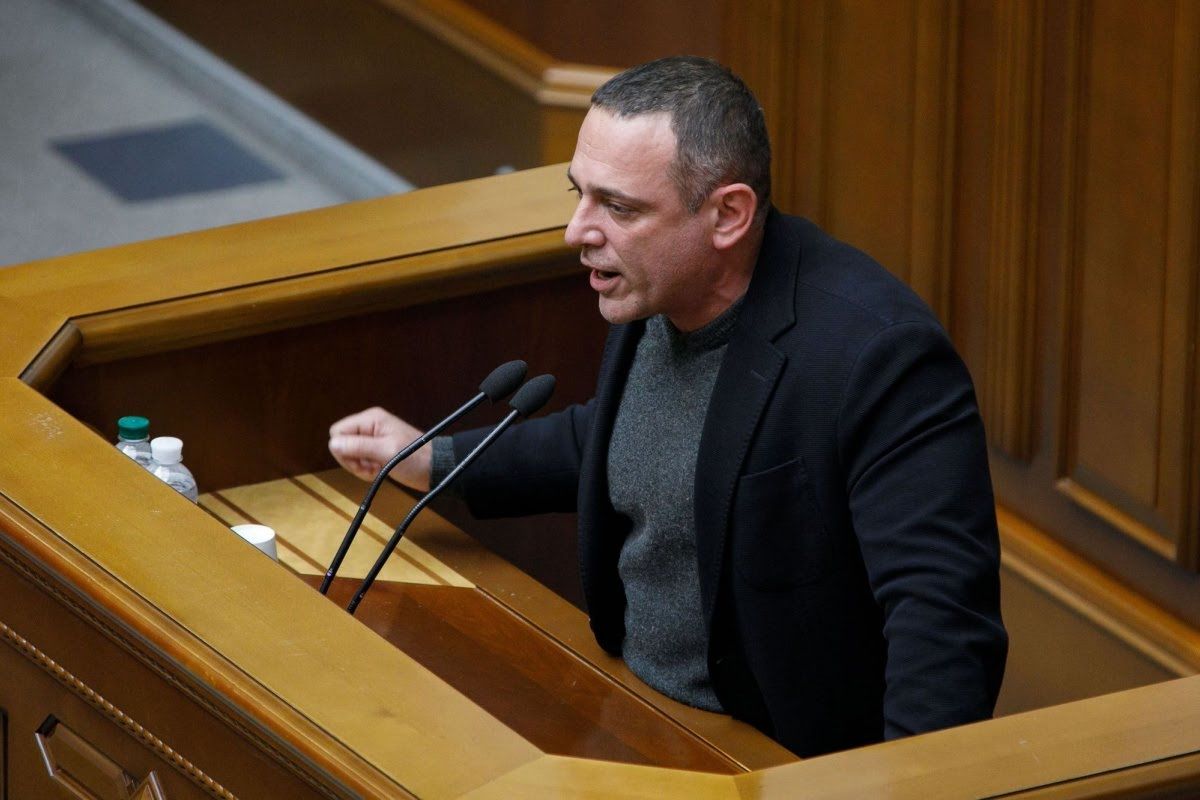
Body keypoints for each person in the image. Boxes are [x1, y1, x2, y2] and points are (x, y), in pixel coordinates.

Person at [329, 56, 1007, 758]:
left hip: (765, 757)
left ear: (728, 215)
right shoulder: (659, 289)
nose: (576, 232)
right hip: (627, 709)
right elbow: (620, 438)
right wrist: (434, 459)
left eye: (618, 207)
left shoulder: (880, 357)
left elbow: (942, 620)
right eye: (579, 194)